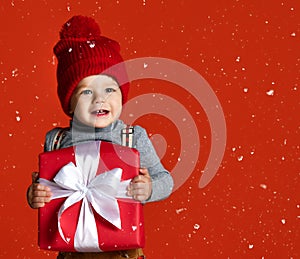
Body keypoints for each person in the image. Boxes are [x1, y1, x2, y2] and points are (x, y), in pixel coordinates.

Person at [26, 15, 174, 259]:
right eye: (87, 91)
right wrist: (34, 196)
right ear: (70, 103)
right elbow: (47, 191)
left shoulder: (131, 137)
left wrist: (148, 189)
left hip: (122, 250)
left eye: (109, 89)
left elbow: (165, 181)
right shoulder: (56, 141)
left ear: (121, 94)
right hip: (71, 251)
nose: (100, 99)